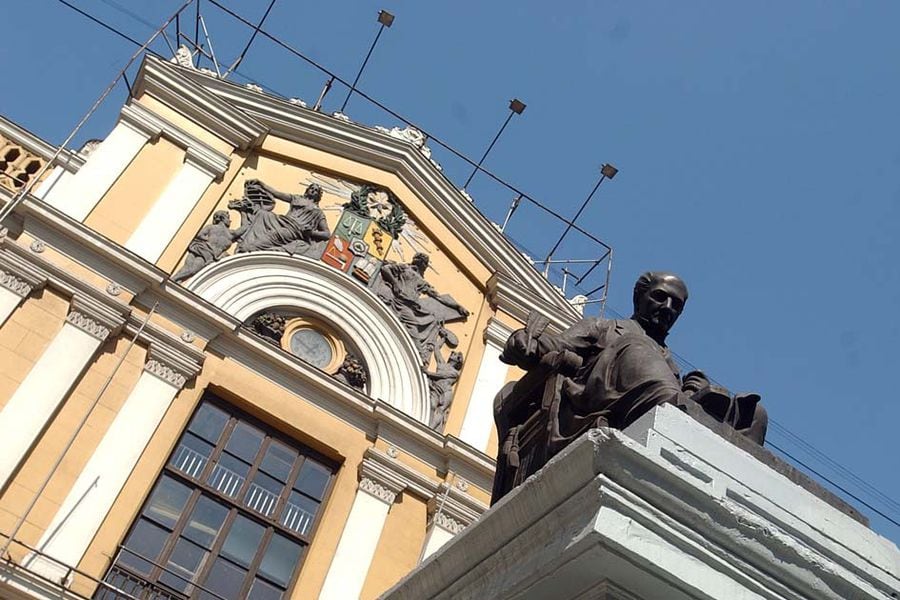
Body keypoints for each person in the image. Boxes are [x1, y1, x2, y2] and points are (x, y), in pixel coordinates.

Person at [500, 271, 767, 442]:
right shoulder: (604, 328)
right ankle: (686, 409)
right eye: (660, 298)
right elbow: (554, 345)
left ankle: (727, 436)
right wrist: (523, 343)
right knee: (636, 347)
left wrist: (693, 387)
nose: (668, 308)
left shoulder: (667, 359)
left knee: (754, 413)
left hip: (653, 398)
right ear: (639, 298)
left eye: (677, 305)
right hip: (594, 402)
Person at [236, 180, 331, 258]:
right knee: (263, 214)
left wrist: (311, 233)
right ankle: (247, 241)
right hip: (282, 221)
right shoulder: (296, 198)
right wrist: (262, 184)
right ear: (307, 190)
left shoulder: (318, 212)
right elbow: (277, 194)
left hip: (293, 228)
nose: (313, 190)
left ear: (319, 195)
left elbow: (327, 234)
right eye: (312, 188)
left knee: (275, 234)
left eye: (316, 190)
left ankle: (251, 248)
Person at [172, 210, 239, 282]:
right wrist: (208, 242)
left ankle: (176, 280)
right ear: (222, 218)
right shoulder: (212, 227)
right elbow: (200, 235)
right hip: (204, 251)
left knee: (189, 269)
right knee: (191, 270)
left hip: (208, 254)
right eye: (228, 218)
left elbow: (244, 227)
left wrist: (244, 210)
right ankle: (173, 280)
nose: (230, 220)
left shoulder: (231, 233)